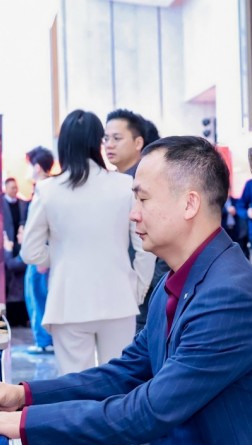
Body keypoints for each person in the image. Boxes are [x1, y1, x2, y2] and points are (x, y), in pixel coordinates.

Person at [0, 136, 252, 445]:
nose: (133, 213)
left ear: (189, 204)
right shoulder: (172, 283)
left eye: (143, 199)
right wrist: (22, 395)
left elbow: (148, 412)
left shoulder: (231, 298)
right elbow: (125, 374)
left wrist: (19, 423)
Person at [21, 110, 154, 375]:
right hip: (119, 298)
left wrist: (59, 256)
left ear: (63, 144)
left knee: (74, 383)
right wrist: (138, 288)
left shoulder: (47, 190)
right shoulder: (124, 185)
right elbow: (144, 245)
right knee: (119, 380)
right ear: (98, 142)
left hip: (68, 301)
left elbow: (30, 252)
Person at [104, 108, 169, 334]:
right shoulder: (114, 183)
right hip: (122, 288)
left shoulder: (148, 181)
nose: (109, 145)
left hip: (145, 289)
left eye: (117, 138)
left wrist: (152, 286)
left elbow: (163, 233)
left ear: (138, 142)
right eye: (106, 139)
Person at [22, 147, 55, 354]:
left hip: (40, 255)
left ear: (37, 167)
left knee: (38, 296)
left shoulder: (45, 189)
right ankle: (43, 340)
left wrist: (44, 256)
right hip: (39, 253)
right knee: (35, 295)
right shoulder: (45, 188)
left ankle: (44, 341)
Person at [2, 177, 29, 327]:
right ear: (6, 188)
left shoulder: (23, 204)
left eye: (15, 187)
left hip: (20, 244)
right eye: (12, 187)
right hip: (7, 243)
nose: (14, 190)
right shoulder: (0, 203)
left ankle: (22, 316)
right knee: (9, 277)